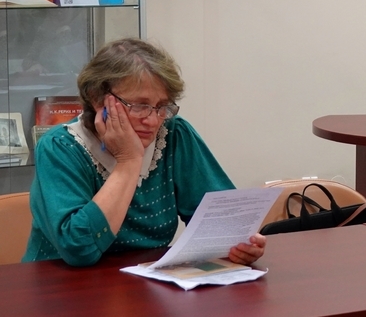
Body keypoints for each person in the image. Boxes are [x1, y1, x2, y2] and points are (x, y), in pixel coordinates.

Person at [23, 38, 266, 267]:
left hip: (144, 283)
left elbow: (223, 221)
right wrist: (129, 161)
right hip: (60, 289)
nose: (152, 120)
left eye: (161, 106)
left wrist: (239, 244)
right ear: (98, 99)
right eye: (139, 106)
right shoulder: (61, 147)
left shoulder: (174, 133)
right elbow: (79, 249)